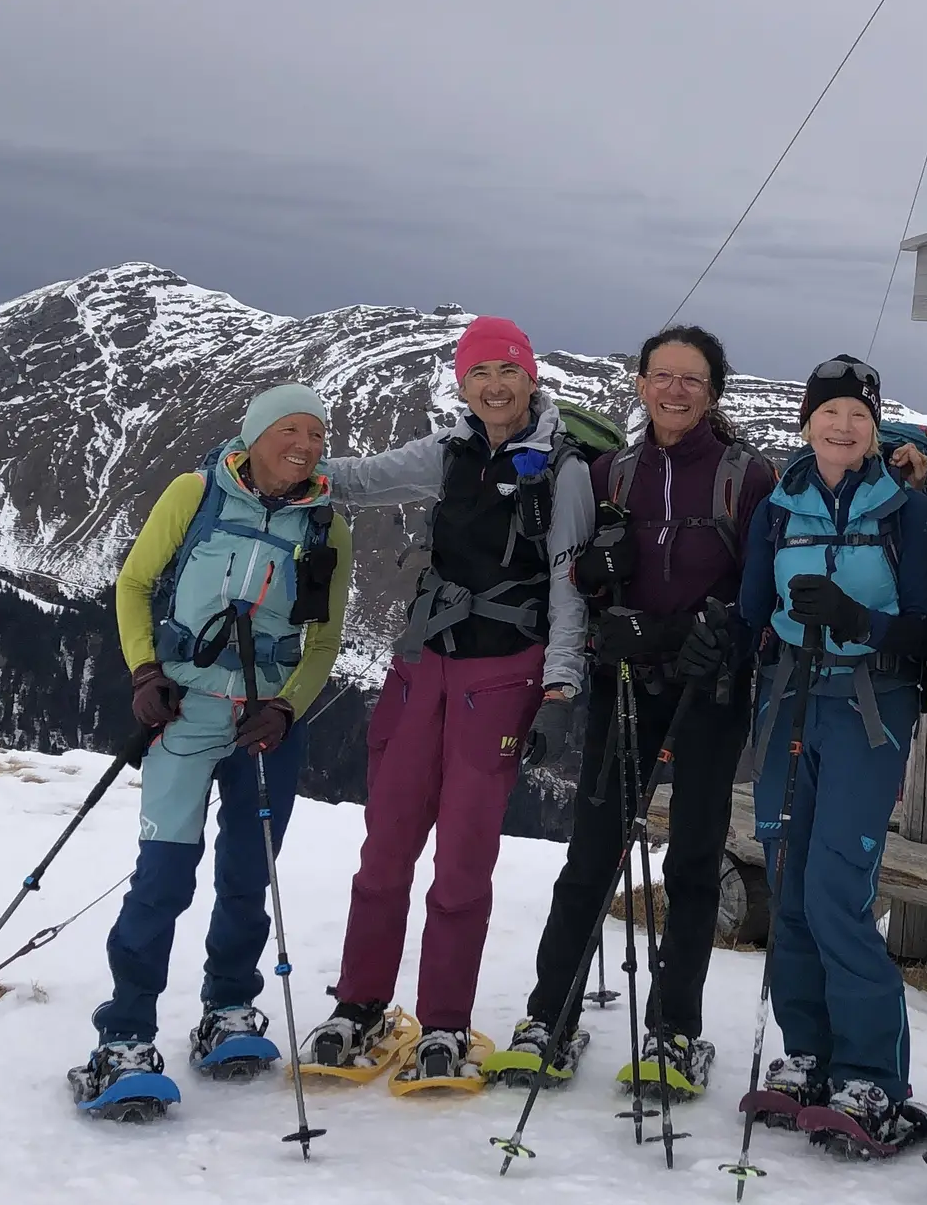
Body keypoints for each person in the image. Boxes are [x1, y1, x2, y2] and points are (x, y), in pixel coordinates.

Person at [306, 316, 595, 1085]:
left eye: (507, 371)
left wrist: (562, 687)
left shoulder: (562, 470)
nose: (494, 387)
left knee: (464, 860)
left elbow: (569, 585)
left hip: (503, 679)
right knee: (386, 846)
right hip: (422, 669)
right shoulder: (447, 453)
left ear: (530, 379)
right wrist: (289, 468)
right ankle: (359, 1003)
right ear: (462, 385)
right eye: (478, 375)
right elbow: (364, 480)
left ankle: (444, 1021)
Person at [68, 384, 354, 1111]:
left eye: (317, 435)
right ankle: (124, 1035)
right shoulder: (195, 494)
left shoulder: (327, 528)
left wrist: (287, 706)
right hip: (185, 711)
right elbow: (134, 584)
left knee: (247, 874)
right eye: (290, 430)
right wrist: (143, 671)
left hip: (266, 727)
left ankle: (229, 1008)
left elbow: (322, 642)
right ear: (254, 435)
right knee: (164, 872)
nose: (306, 444)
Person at [506, 324, 774, 1096]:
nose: (675, 390)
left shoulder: (744, 478)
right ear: (641, 385)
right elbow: (575, 579)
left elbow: (757, 593)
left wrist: (709, 633)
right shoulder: (608, 473)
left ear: (713, 391)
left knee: (693, 861)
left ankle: (674, 1031)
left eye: (692, 379)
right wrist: (597, 578)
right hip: (623, 684)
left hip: (707, 692)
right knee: (591, 854)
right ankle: (546, 1015)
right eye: (662, 376)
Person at [738, 355, 927, 1146]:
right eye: (829, 412)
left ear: (874, 424)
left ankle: (872, 1075)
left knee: (836, 889)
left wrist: (862, 621)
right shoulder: (780, 504)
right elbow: (752, 607)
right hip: (790, 697)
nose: (842, 425)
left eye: (857, 414)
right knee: (788, 881)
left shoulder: (905, 508)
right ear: (806, 420)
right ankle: (808, 1053)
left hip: (870, 708)